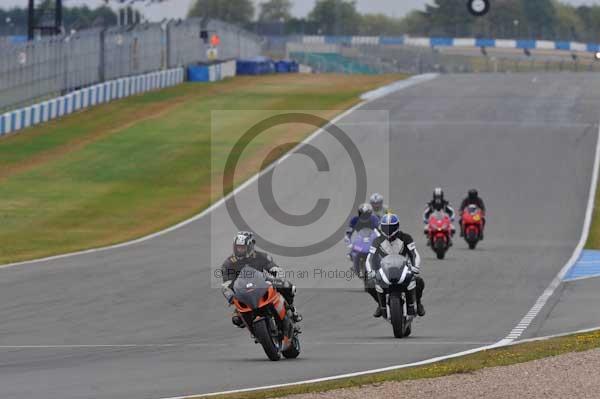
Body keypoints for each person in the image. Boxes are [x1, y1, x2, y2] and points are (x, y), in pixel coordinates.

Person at [220, 231, 302, 328]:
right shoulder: (229, 263)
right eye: (238, 247)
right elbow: (226, 283)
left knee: (289, 287)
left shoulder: (261, 256)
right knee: (237, 320)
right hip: (244, 292)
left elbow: (273, 267)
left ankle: (292, 309)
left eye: (242, 248)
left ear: (250, 246)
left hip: (263, 284)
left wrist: (277, 272)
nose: (239, 250)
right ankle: (255, 332)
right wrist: (230, 296)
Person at [365, 213, 426, 318]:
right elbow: (369, 258)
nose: (389, 230)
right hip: (384, 270)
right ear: (382, 227)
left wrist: (416, 267)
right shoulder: (377, 241)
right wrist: (370, 271)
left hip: (404, 269)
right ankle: (380, 304)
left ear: (397, 226)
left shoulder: (406, 238)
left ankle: (418, 303)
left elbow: (415, 254)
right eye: (386, 227)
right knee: (369, 284)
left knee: (419, 282)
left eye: (391, 227)